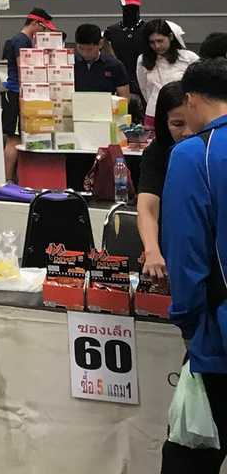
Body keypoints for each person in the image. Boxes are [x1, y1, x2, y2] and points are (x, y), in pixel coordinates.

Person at [161, 58, 227, 471]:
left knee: (189, 458)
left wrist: (188, 324)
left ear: (190, 100)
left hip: (219, 337)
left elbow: (185, 251)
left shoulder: (193, 154)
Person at [139, 81, 189, 285]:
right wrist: (152, 251)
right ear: (163, 123)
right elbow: (147, 207)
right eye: (177, 124)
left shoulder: (214, 147)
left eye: (192, 122)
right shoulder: (157, 152)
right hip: (169, 246)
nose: (187, 132)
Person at [1, 7, 57, 182]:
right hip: (17, 94)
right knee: (14, 140)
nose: (43, 32)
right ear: (34, 23)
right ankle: (8, 180)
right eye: (43, 28)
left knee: (19, 139)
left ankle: (15, 178)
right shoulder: (21, 41)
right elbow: (24, 69)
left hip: (22, 94)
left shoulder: (23, 40)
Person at [139, 18, 200, 131]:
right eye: (152, 42)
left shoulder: (189, 58)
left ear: (171, 37)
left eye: (160, 41)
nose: (157, 46)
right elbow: (144, 89)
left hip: (183, 112)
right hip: (153, 113)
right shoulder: (142, 60)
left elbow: (198, 87)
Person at [104, 0, 148, 100]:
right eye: (127, 8)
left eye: (134, 7)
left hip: (144, 79)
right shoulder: (111, 31)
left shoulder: (148, 29)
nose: (130, 11)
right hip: (119, 81)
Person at [73, 23, 132, 98]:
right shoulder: (70, 64)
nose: (85, 53)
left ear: (100, 43)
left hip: (106, 104)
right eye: (81, 48)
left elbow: (124, 97)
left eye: (89, 49)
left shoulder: (115, 65)